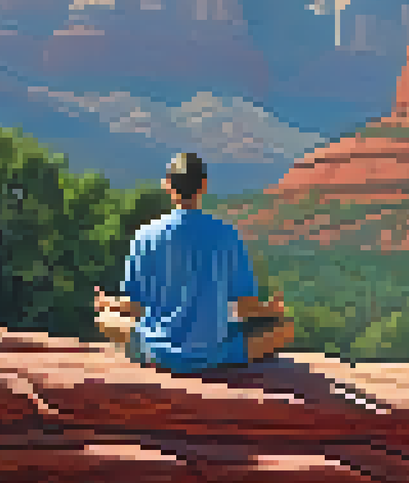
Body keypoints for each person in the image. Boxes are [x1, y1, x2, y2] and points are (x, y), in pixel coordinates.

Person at [93, 152, 295, 372]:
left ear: (168, 185)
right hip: (215, 355)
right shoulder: (227, 234)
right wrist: (271, 310)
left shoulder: (145, 235)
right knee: (285, 329)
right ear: (204, 186)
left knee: (105, 319)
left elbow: (134, 307)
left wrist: (109, 303)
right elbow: (245, 307)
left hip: (157, 353)